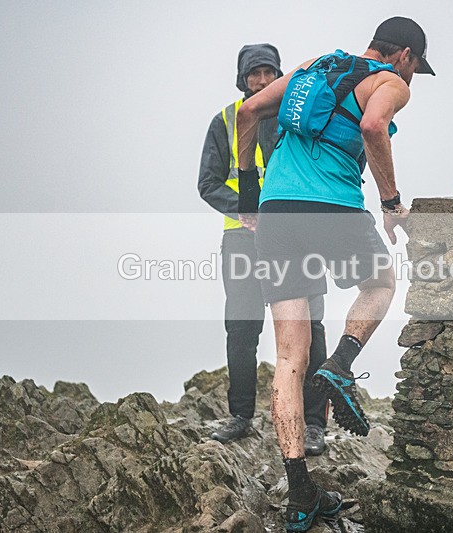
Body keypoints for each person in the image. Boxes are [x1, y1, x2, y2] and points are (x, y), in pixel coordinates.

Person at [235, 17, 434, 532]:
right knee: (382, 281)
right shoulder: (388, 81)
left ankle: (300, 493)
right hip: (332, 207)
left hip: (276, 213)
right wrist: (391, 202)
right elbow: (372, 127)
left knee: (286, 358)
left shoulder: (314, 65)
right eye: (416, 69)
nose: (412, 79)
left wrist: (248, 193)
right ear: (406, 55)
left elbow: (250, 110)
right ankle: (342, 364)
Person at [197, 43, 329, 456]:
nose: (262, 79)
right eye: (254, 73)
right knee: (241, 327)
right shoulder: (224, 121)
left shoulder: (295, 115)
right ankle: (240, 416)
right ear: (242, 78)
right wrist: (247, 210)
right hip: (241, 237)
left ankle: (313, 424)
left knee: (312, 326)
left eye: (269, 71)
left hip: (297, 234)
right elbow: (208, 183)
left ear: (279, 74)